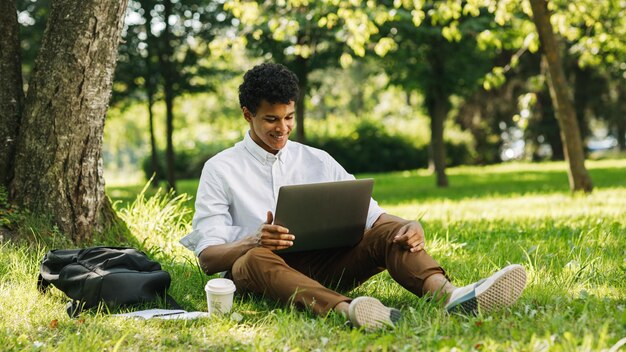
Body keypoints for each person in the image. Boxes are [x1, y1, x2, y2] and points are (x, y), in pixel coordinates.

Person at [180, 63, 527, 331]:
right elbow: (208, 259)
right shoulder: (220, 169)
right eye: (271, 119)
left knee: (393, 232)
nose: (282, 129)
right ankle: (349, 311)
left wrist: (407, 226)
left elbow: (373, 217)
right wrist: (253, 239)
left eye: (289, 118)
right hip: (264, 274)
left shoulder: (316, 159)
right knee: (252, 258)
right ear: (247, 114)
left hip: (328, 265)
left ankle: (453, 297)